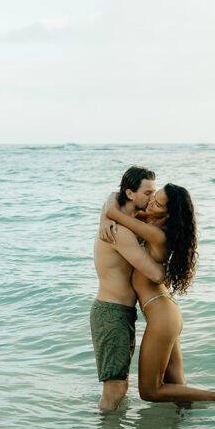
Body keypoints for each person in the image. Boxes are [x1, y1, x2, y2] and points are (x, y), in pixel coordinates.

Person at [101, 183, 215, 403]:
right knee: (177, 386)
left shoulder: (156, 233)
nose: (151, 203)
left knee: (150, 391)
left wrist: (106, 219)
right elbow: (113, 201)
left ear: (168, 213)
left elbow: (113, 211)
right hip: (167, 311)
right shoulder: (154, 224)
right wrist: (109, 213)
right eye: (153, 197)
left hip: (162, 316)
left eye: (158, 203)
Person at [91, 166, 166, 412]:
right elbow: (155, 274)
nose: (152, 198)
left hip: (120, 313)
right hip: (112, 313)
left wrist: (107, 211)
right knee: (115, 390)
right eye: (148, 192)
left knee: (120, 387)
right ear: (131, 194)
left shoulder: (122, 220)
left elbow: (113, 197)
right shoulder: (118, 231)